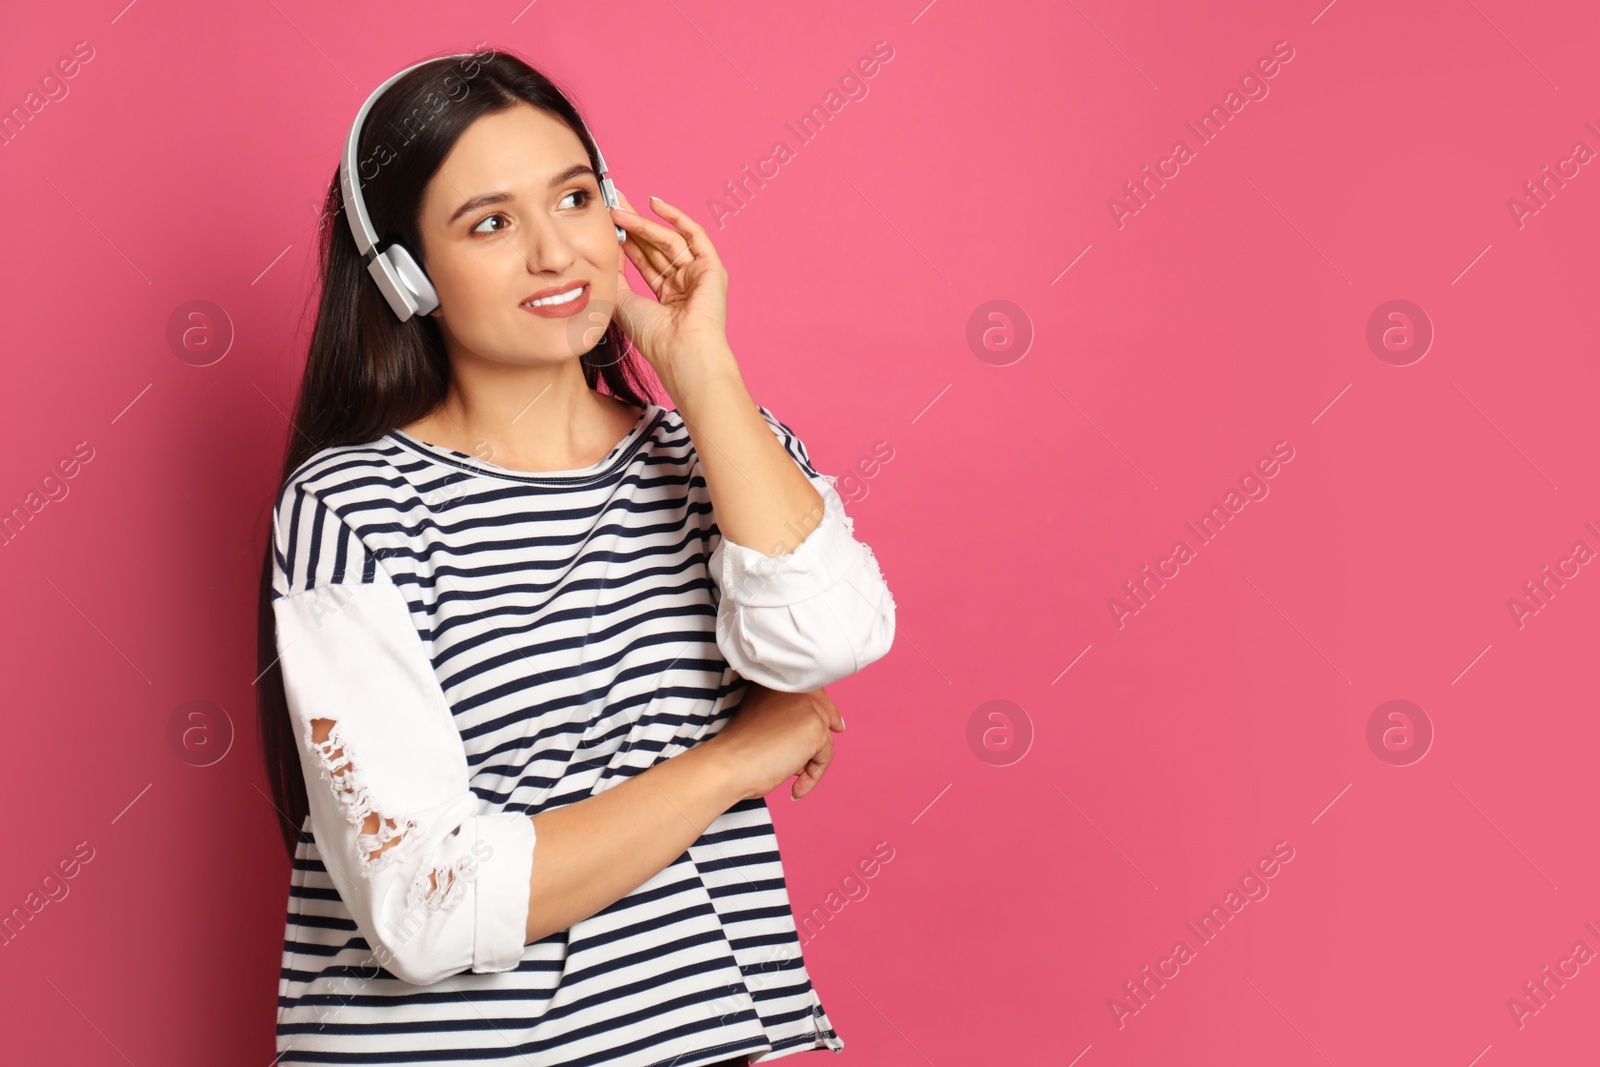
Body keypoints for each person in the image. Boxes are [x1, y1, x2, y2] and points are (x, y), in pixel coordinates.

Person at [253, 45, 896, 1067]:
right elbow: (427, 905)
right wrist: (733, 757)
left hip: (701, 1036)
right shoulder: (355, 505)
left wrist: (701, 366)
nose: (557, 253)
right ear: (406, 274)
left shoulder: (714, 446)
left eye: (575, 197)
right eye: (492, 222)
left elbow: (824, 643)